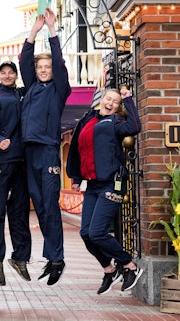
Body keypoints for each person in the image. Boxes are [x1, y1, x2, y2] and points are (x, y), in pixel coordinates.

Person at [67, 87, 143, 294]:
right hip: (92, 185)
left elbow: (135, 127)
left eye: (115, 102)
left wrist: (128, 100)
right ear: (101, 100)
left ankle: (130, 266)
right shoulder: (87, 119)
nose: (110, 103)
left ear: (118, 107)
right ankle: (109, 270)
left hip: (112, 183)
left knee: (98, 233)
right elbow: (76, 149)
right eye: (108, 98)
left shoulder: (116, 122)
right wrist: (76, 176)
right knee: (86, 234)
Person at [19, 8, 71, 286]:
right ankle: (51, 258)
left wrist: (51, 32)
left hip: (49, 150)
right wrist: (32, 34)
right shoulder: (30, 88)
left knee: (50, 205)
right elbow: (24, 61)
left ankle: (58, 259)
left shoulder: (58, 88)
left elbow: (61, 64)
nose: (42, 70)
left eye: (46, 67)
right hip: (29, 153)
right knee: (39, 206)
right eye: (40, 67)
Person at [0, 61, 32, 286]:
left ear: (16, 75)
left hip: (23, 161)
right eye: (3, 72)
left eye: (11, 72)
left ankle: (20, 257)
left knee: (20, 210)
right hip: (1, 161)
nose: (7, 75)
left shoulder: (23, 94)